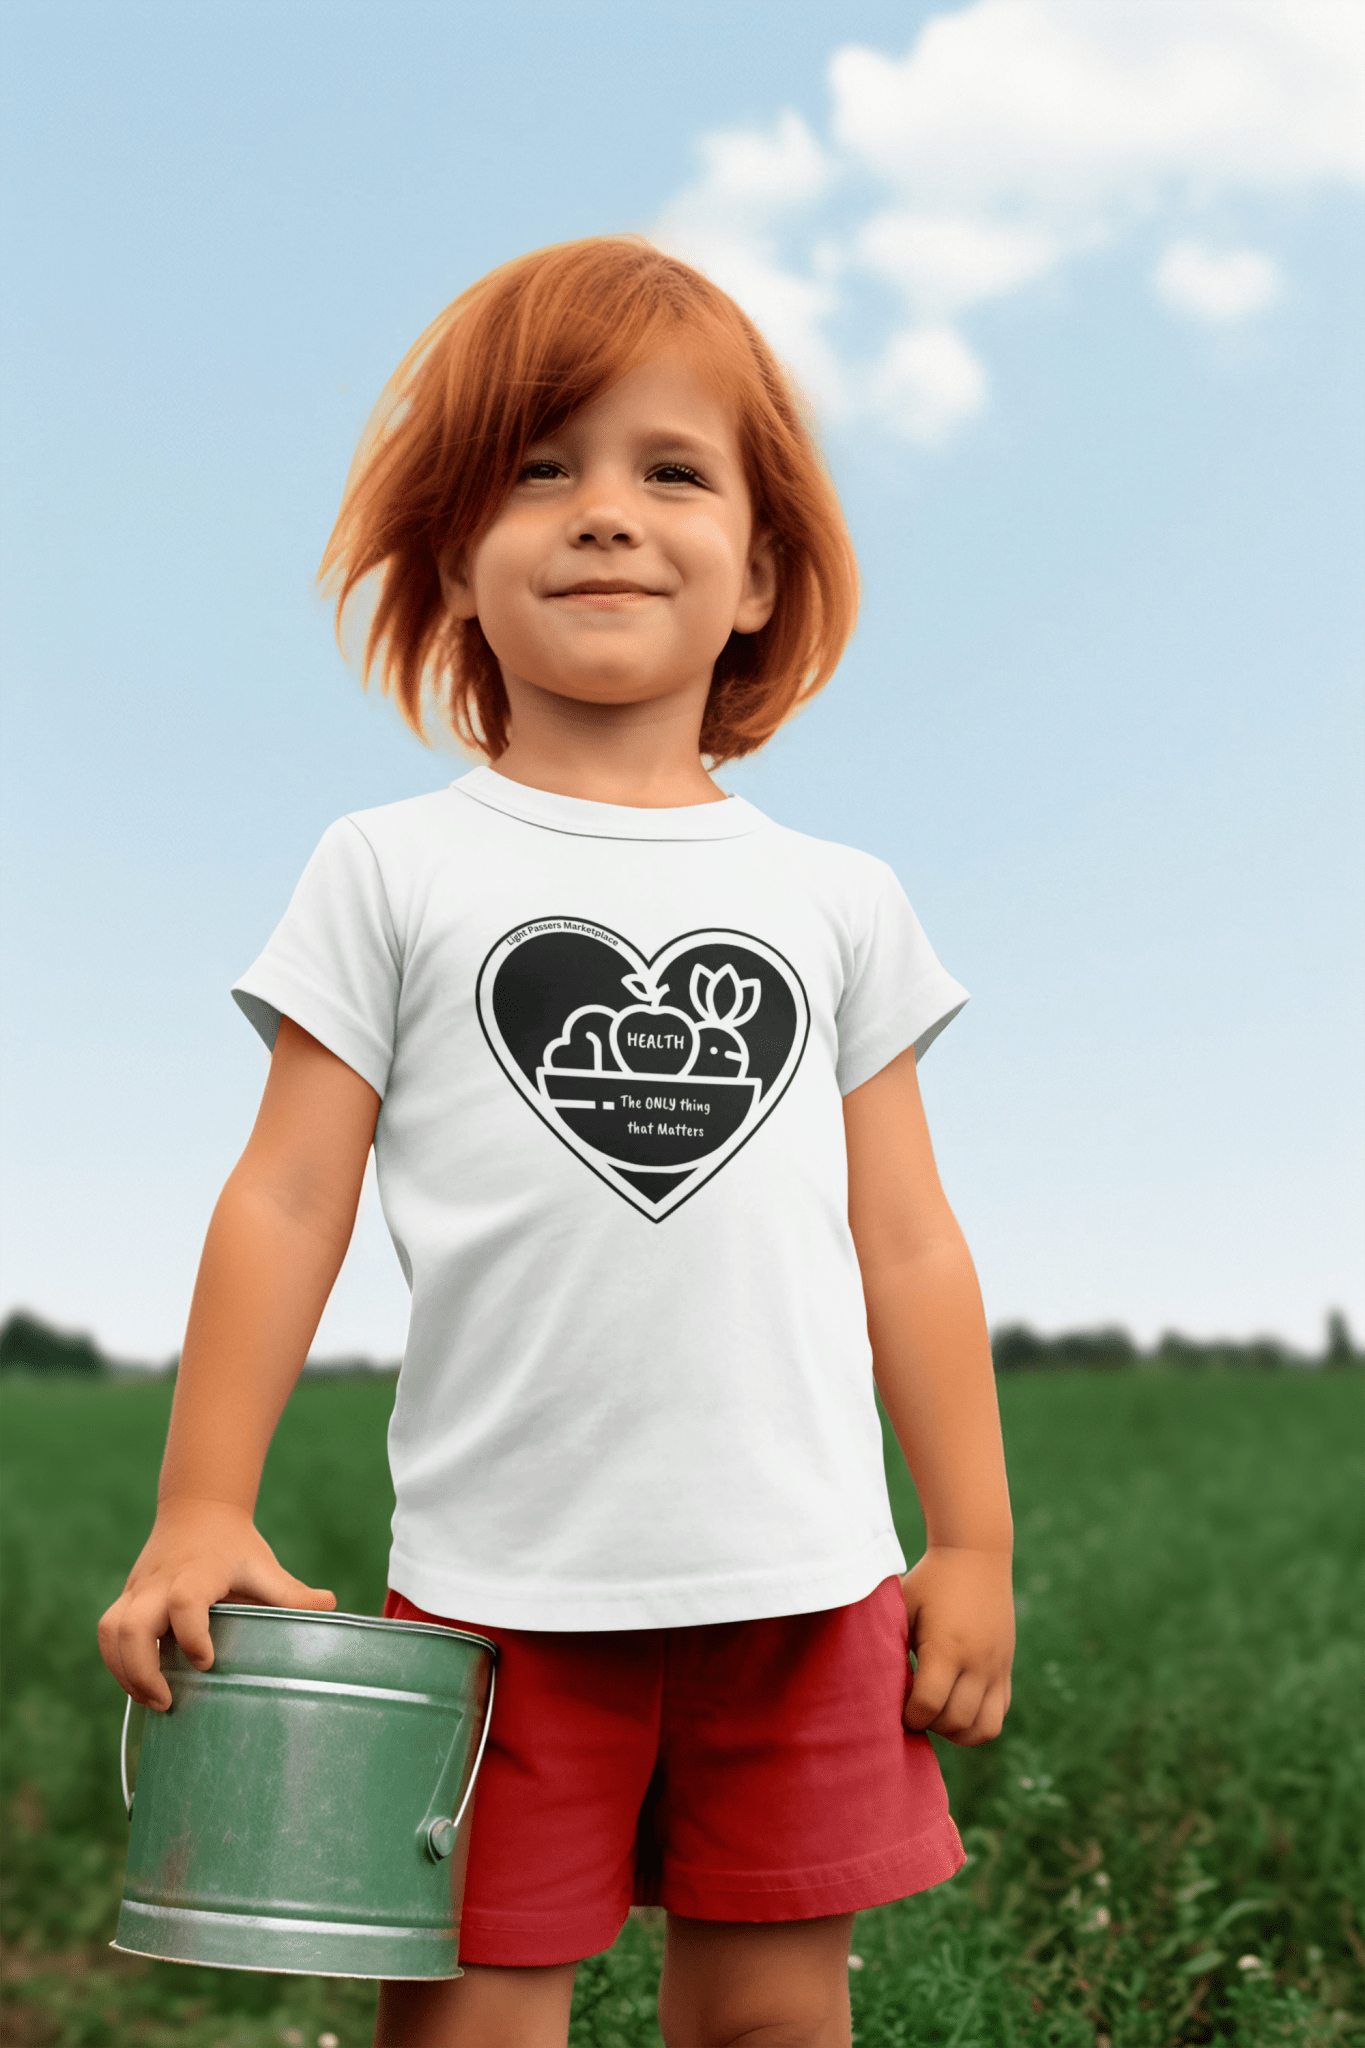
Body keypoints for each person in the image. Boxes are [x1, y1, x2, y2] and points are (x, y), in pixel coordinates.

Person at [98, 237, 1014, 2048]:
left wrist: (969, 1539)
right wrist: (200, 1501)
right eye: (545, 470)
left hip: (807, 1587)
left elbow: (907, 1237)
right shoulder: (392, 867)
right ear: (456, 560)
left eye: (671, 472)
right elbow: (289, 1193)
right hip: (500, 1602)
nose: (607, 514)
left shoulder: (837, 897)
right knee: (471, 2019)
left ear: (759, 573)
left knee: (773, 2019)